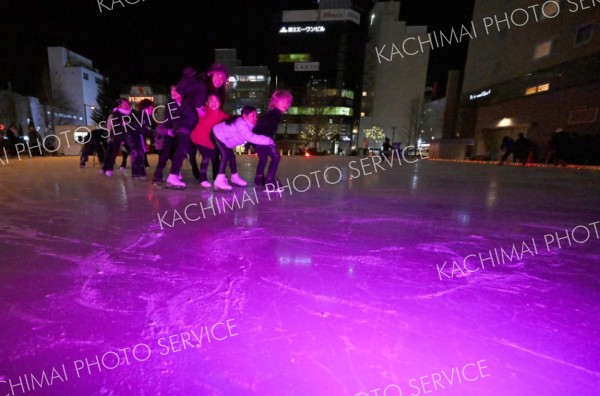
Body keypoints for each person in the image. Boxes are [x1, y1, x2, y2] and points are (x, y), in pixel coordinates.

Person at [166, 63, 228, 190]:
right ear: (210, 74)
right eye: (218, 76)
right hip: (186, 121)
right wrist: (185, 80)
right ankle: (173, 176)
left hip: (199, 126)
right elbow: (180, 91)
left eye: (223, 79)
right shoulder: (201, 84)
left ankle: (215, 178)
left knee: (212, 151)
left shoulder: (215, 93)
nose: (220, 80)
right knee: (182, 146)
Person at [212, 106, 274, 191]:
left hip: (225, 140)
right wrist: (268, 140)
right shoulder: (241, 123)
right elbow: (250, 137)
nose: (255, 118)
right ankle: (219, 180)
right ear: (245, 116)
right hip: (217, 134)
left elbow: (252, 136)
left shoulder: (250, 126)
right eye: (253, 115)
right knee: (225, 155)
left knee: (231, 157)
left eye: (256, 116)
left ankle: (235, 177)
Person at [252, 90, 293, 189]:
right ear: (275, 102)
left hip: (257, 138)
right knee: (276, 157)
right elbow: (263, 125)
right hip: (262, 139)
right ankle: (270, 180)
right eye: (282, 102)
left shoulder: (271, 113)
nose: (285, 104)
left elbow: (261, 124)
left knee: (263, 158)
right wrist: (268, 139)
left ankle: (259, 179)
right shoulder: (276, 113)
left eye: (287, 103)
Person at [191, 94, 229, 188]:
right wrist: (198, 107)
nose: (214, 103)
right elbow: (201, 112)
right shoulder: (205, 110)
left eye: (216, 101)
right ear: (207, 103)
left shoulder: (221, 114)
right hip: (199, 138)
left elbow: (229, 119)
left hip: (210, 141)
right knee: (206, 156)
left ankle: (217, 178)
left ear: (220, 103)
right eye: (211, 101)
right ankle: (202, 179)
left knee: (216, 158)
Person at [153, 86, 182, 184]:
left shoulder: (186, 103)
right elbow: (168, 119)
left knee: (178, 153)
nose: (173, 93)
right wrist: (169, 130)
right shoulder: (170, 104)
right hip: (171, 131)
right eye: (172, 91)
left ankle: (176, 171)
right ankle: (158, 174)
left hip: (182, 132)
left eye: (176, 91)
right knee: (165, 153)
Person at [101, 98, 132, 176]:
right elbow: (111, 124)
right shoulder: (115, 113)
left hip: (127, 135)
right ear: (120, 105)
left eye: (127, 103)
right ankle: (107, 168)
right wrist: (121, 124)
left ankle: (133, 166)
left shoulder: (130, 113)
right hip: (116, 135)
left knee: (131, 150)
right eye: (124, 104)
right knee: (112, 152)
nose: (126, 105)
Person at [125, 99, 155, 180]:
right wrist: (153, 133)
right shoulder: (142, 116)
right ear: (146, 108)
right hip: (132, 136)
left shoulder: (144, 116)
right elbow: (143, 128)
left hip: (136, 135)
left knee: (140, 153)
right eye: (151, 109)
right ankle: (136, 172)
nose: (152, 110)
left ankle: (139, 172)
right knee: (137, 153)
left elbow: (146, 128)